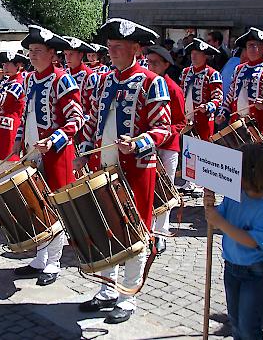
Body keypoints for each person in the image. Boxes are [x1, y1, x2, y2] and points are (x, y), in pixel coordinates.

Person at [75, 18, 171, 324]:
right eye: (110, 46)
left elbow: (163, 128)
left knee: (134, 229)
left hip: (137, 169)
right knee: (106, 226)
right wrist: (81, 152)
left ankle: (128, 297)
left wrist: (139, 142)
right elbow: (93, 119)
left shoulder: (150, 81)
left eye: (118, 46)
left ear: (136, 48)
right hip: (104, 166)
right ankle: (107, 289)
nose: (112, 51)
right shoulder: (104, 81)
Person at [12, 25, 84, 286]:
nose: (32, 55)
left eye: (38, 51)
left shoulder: (62, 79)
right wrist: (19, 140)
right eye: (31, 51)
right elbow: (26, 114)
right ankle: (39, 258)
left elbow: (77, 118)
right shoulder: (30, 79)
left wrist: (53, 140)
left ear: (53, 53)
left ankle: (54, 262)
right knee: (35, 204)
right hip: (32, 151)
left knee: (53, 206)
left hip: (56, 154)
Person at [203, 143, 263, 340]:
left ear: (251, 173)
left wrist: (219, 221)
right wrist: (210, 206)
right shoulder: (235, 194)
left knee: (248, 327)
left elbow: (252, 241)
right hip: (233, 269)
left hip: (258, 274)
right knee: (236, 322)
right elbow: (216, 217)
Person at [216, 28, 263, 147]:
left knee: (261, 158)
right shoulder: (239, 69)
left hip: (260, 124)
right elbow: (231, 95)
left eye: (255, 45)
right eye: (249, 46)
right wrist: (223, 112)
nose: (251, 49)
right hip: (236, 123)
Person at [145, 45, 186, 251]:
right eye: (149, 62)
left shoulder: (173, 89)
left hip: (168, 146)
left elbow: (181, 122)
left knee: (165, 188)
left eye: (155, 63)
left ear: (166, 65)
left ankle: (161, 232)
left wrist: (163, 131)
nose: (151, 66)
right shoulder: (145, 85)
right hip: (148, 145)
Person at [0, 49, 27, 172]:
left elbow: (0, 101)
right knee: (1, 164)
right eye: (3, 64)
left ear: (18, 66)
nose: (4, 66)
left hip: (11, 128)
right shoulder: (8, 81)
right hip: (2, 128)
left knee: (9, 166)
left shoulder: (18, 83)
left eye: (8, 64)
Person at [180, 38, 223, 141]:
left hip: (203, 121)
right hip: (185, 120)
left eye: (197, 53)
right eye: (192, 53)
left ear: (205, 56)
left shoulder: (212, 74)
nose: (193, 56)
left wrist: (208, 106)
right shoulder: (185, 72)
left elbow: (218, 98)